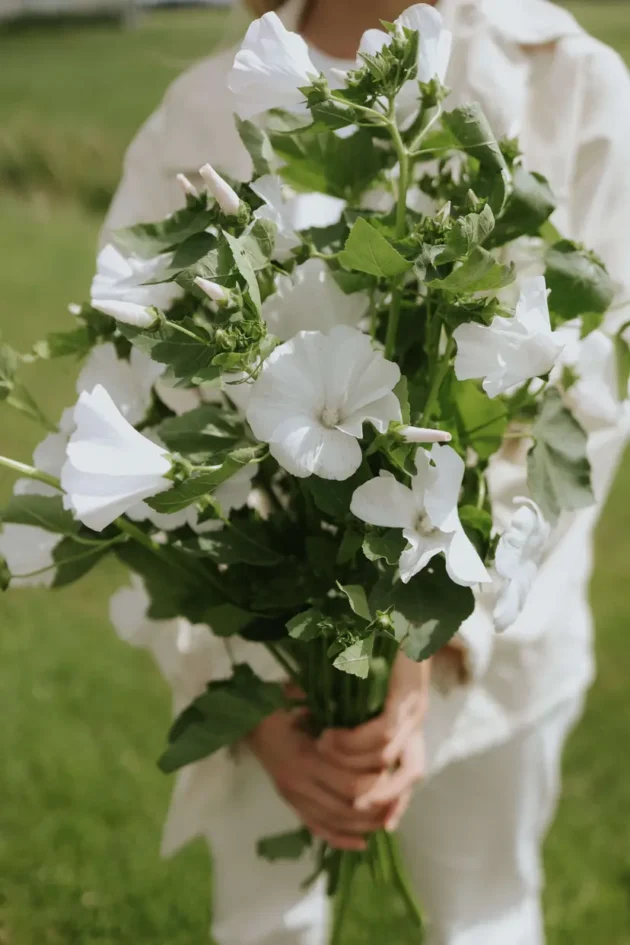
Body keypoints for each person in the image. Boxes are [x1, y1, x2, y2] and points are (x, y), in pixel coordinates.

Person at [104, 2, 630, 943]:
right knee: (271, 925)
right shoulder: (200, 110)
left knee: (484, 918)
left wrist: (435, 637)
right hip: (272, 673)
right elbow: (137, 387)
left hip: (497, 644)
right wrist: (256, 691)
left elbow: (581, 411)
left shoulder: (571, 80)